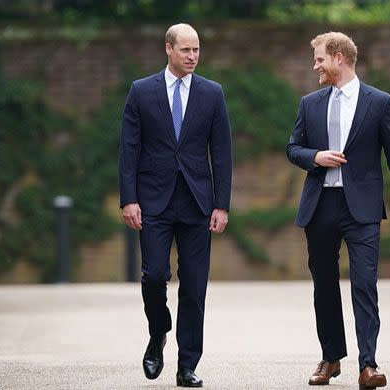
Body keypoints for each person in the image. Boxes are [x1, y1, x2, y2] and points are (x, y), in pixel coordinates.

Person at [286, 31, 390, 389]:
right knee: (324, 285)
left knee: (364, 284)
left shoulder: (380, 102)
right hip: (321, 205)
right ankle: (331, 359)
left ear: (339, 58)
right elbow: (292, 148)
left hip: (363, 208)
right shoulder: (309, 103)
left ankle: (368, 365)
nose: (316, 66)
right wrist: (315, 157)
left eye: (320, 59)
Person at [118, 23, 232, 388]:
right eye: (186, 50)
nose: (193, 56)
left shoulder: (212, 93)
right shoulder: (141, 91)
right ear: (168, 49)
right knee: (153, 277)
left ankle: (187, 366)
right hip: (153, 201)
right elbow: (129, 150)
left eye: (196, 49)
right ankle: (158, 332)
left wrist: (221, 204)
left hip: (198, 202)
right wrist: (129, 199)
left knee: (194, 287)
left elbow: (223, 154)